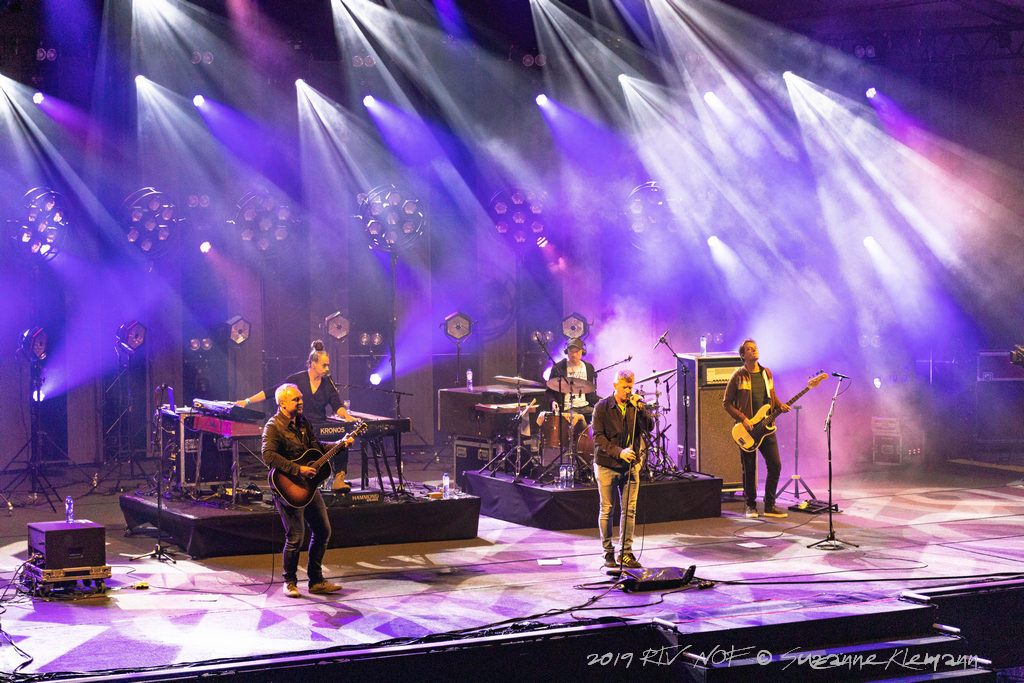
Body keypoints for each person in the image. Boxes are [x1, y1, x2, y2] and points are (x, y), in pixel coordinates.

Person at [262, 383, 351, 597]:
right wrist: (298, 469)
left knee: (323, 530)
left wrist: (339, 444)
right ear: (282, 403)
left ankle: (316, 581)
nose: (301, 402)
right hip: (287, 486)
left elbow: (317, 448)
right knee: (296, 536)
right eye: (296, 399)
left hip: (308, 486)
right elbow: (268, 456)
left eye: (301, 398)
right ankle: (290, 582)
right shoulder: (273, 426)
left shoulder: (303, 423)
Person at [237, 340, 355, 490]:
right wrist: (247, 401)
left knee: (342, 440)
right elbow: (271, 392)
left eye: (328, 365)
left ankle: (339, 479)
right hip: (301, 425)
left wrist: (346, 416)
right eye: (324, 365)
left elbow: (337, 405)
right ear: (313, 364)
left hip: (320, 424)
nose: (327, 369)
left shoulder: (328, 382)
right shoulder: (297, 379)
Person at [591, 369, 652, 570]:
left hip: (630, 466)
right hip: (607, 464)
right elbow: (598, 438)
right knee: (607, 509)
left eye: (630, 387)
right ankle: (608, 551)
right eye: (624, 387)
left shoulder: (634, 406)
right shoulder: (602, 407)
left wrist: (641, 409)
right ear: (615, 385)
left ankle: (626, 552)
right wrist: (619, 452)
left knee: (630, 510)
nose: (628, 390)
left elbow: (649, 427)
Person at [723, 339, 790, 519]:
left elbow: (772, 396)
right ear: (743, 355)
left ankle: (769, 505)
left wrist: (780, 405)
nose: (754, 350)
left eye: (755, 348)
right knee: (749, 468)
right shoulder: (738, 376)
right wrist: (743, 419)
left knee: (775, 465)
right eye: (749, 349)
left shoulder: (766, 373)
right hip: (747, 429)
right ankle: (750, 506)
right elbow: (726, 403)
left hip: (767, 427)